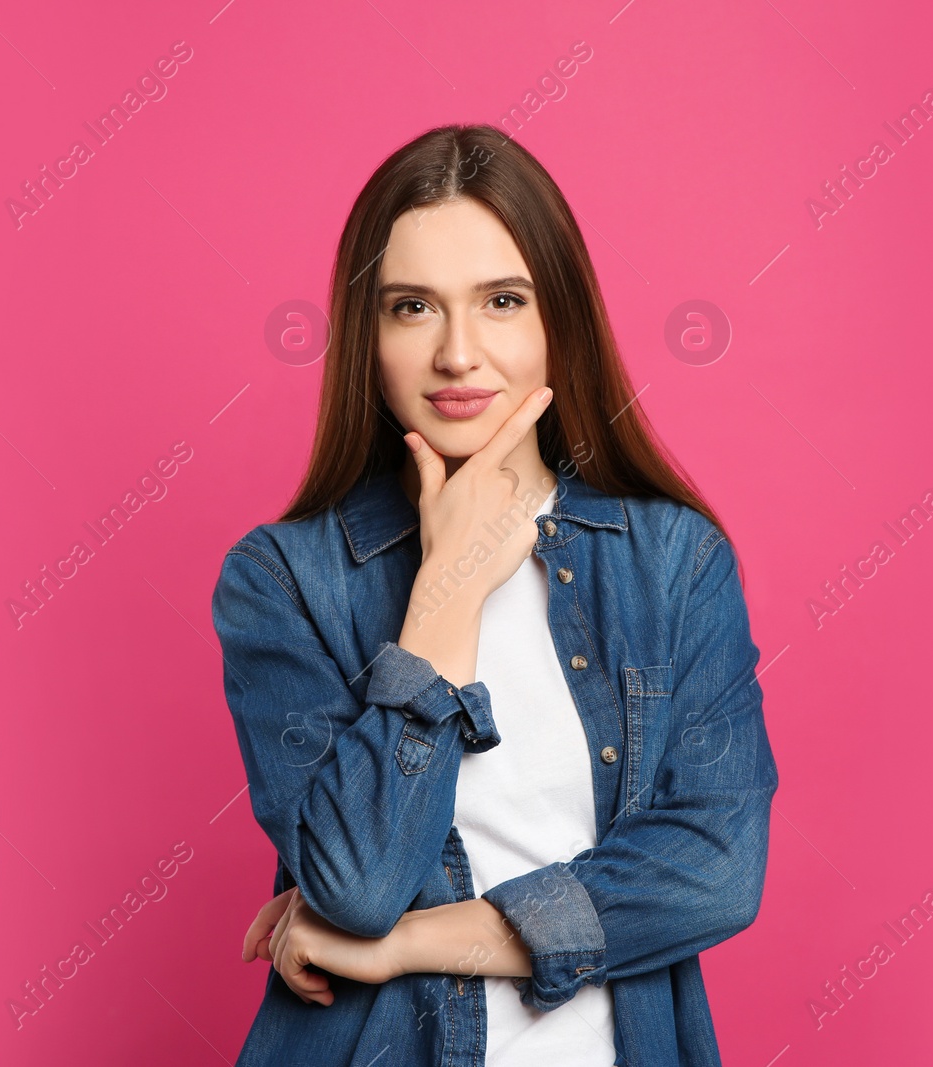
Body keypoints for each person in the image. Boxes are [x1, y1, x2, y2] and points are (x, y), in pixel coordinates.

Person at [210, 123, 779, 1067]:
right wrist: (446, 594)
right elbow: (357, 882)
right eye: (412, 307)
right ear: (369, 334)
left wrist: (402, 946)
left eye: (502, 300)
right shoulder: (285, 580)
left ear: (558, 318)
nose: (458, 353)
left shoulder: (673, 560)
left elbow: (716, 870)